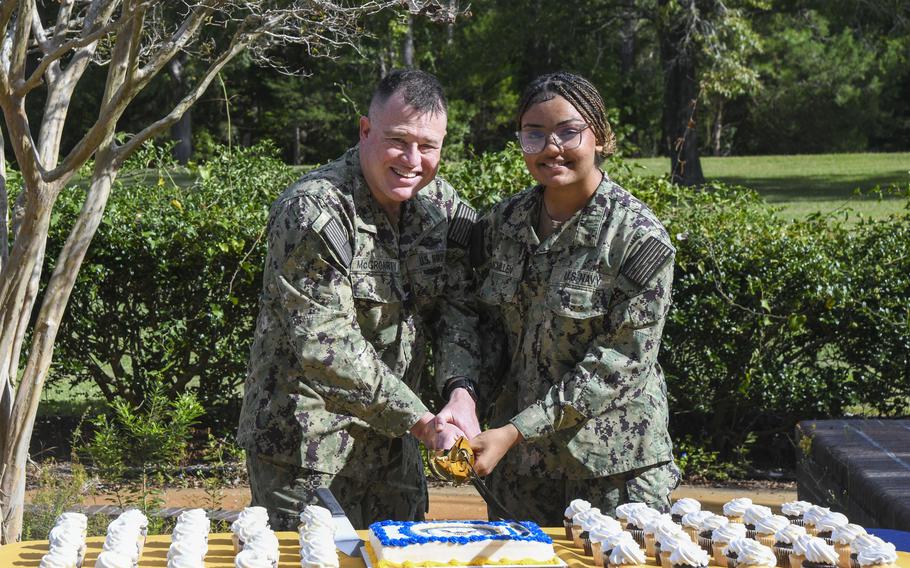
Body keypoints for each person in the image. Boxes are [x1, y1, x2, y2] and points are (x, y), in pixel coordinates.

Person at [236, 69, 482, 530]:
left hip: (397, 452)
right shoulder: (314, 211)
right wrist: (421, 420)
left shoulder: (444, 211)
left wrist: (460, 392)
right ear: (365, 131)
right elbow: (325, 346)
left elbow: (459, 314)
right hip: (308, 451)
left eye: (428, 147)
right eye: (398, 141)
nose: (412, 159)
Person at [465, 71, 680, 524]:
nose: (550, 147)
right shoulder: (502, 225)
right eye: (534, 134)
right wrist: (462, 400)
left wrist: (516, 431)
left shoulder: (637, 238)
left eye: (568, 132)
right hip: (521, 474)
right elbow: (480, 327)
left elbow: (619, 362)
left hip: (614, 471)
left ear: (600, 137)